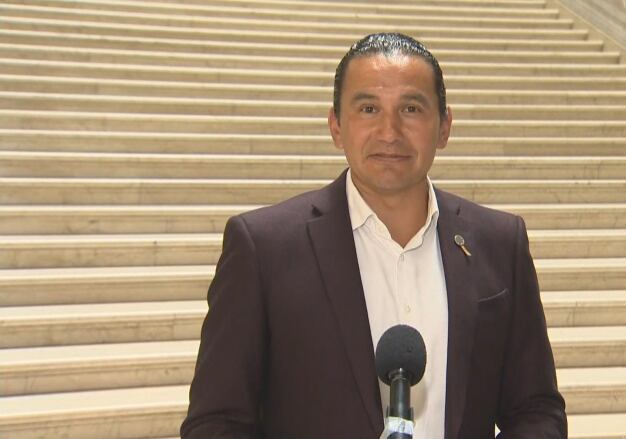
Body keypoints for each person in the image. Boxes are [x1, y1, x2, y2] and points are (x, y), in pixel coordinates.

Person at [181, 33, 567, 439]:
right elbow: (217, 423)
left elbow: (536, 409)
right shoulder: (263, 248)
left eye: (411, 108)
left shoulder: (500, 242)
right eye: (368, 108)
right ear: (336, 125)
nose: (389, 131)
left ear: (444, 127)